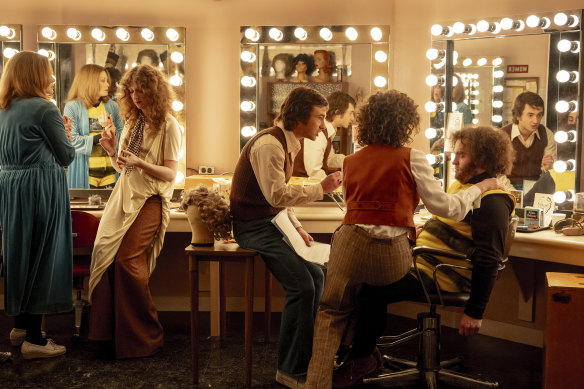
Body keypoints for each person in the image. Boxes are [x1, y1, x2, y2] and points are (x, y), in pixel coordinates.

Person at [303, 92, 506, 388]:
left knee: (332, 311)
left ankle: (323, 377)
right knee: (372, 286)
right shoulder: (413, 158)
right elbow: (447, 207)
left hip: (348, 244)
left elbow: (353, 205)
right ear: (405, 123)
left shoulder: (349, 161)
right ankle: (361, 353)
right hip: (389, 257)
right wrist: (479, 188)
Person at [229, 86, 342, 388]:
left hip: (272, 222)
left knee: (317, 276)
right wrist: (322, 189)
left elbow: (278, 200)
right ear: (300, 117)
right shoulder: (270, 144)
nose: (323, 125)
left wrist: (297, 225)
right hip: (253, 227)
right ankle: (290, 370)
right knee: (303, 287)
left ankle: (303, 360)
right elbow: (275, 193)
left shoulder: (289, 142)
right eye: (319, 117)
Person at [87, 64, 181, 359]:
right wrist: (114, 151)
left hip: (150, 199)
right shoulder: (132, 121)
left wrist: (140, 163)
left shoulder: (169, 125)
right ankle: (106, 337)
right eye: (132, 91)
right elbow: (122, 167)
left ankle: (145, 337)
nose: (136, 96)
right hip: (123, 196)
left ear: (155, 91)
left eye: (142, 90)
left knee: (127, 260)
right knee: (104, 256)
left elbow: (170, 174)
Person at [0, 51, 75, 359]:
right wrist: (67, 136)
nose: (52, 77)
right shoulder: (44, 109)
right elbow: (67, 155)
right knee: (43, 256)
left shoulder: (5, 108)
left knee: (19, 254)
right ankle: (35, 340)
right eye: (47, 71)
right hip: (40, 188)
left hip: (10, 186)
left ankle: (20, 328)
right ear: (36, 75)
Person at [64, 64, 124, 188]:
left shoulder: (112, 106)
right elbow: (72, 141)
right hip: (85, 173)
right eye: (103, 81)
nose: (108, 85)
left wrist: (113, 133)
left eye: (107, 81)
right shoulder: (73, 107)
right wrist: (102, 137)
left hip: (111, 173)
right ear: (89, 82)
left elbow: (124, 139)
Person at [293, 91, 355, 179]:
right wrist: (336, 183)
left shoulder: (329, 131)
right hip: (300, 186)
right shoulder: (319, 132)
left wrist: (354, 160)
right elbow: (314, 171)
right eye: (351, 113)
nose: (352, 118)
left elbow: (329, 159)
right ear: (337, 112)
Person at [501, 91, 556, 190]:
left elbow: (550, 172)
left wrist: (549, 168)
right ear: (518, 115)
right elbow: (498, 175)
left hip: (537, 186)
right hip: (507, 187)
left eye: (539, 115)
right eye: (530, 115)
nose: (536, 120)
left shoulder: (547, 134)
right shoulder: (502, 136)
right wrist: (514, 194)